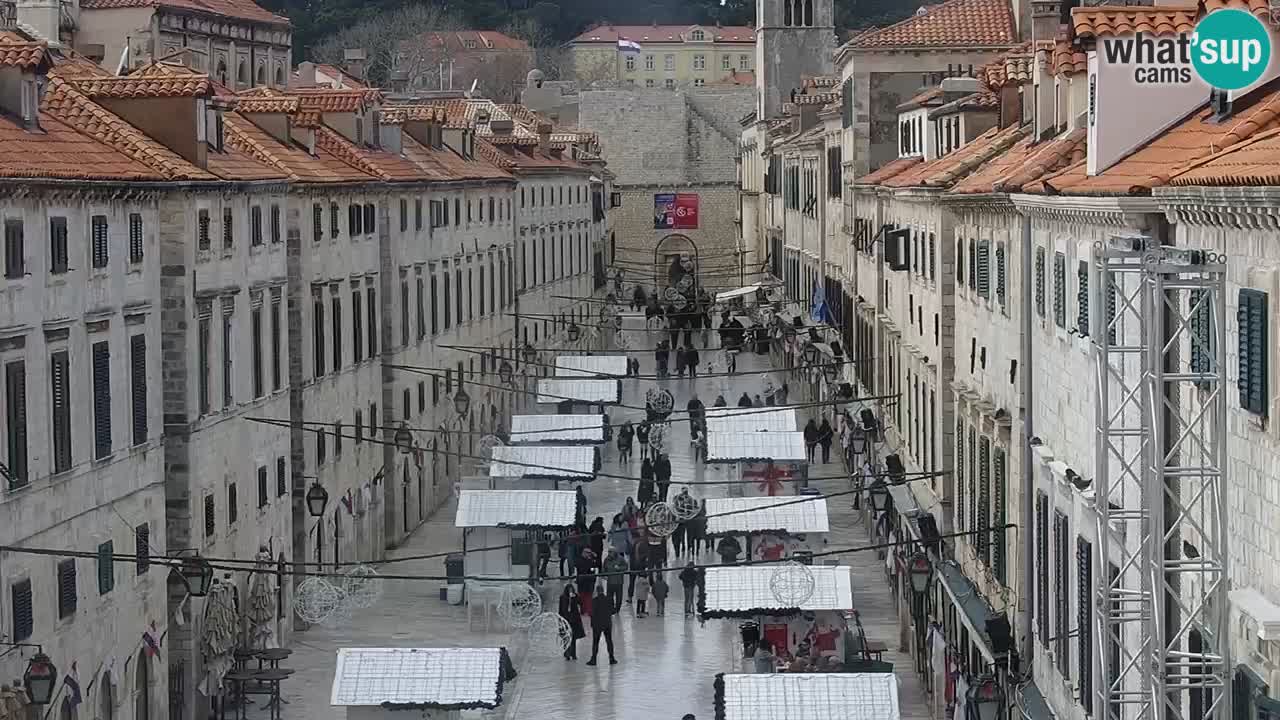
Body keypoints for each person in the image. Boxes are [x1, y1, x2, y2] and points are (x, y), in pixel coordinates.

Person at [587, 585, 617, 665]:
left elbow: (591, 613)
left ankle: (594, 659)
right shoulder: (609, 599)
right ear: (603, 590)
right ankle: (611, 658)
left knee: (595, 642)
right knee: (609, 641)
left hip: (597, 624)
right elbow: (613, 611)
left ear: (597, 591)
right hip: (607, 623)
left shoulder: (594, 601)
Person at [558, 584, 586, 660]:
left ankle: (573, 654)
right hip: (566, 620)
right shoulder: (562, 597)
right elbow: (561, 609)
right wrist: (560, 620)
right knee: (566, 638)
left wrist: (575, 597)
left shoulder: (575, 597)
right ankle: (567, 653)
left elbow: (580, 603)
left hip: (573, 621)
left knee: (573, 638)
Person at [603, 550, 629, 614]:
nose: (609, 553)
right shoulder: (606, 559)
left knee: (619, 597)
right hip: (610, 581)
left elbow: (626, 567)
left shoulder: (620, 559)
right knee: (609, 597)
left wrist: (619, 568)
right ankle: (611, 609)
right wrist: (604, 575)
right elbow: (604, 568)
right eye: (609, 552)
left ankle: (617, 609)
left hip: (619, 582)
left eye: (610, 552)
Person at [576, 549, 596, 615]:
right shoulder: (579, 560)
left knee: (589, 596)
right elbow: (581, 569)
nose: (589, 554)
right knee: (582, 597)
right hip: (582, 581)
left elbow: (593, 569)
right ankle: (583, 610)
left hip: (589, 581)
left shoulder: (591, 560)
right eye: (588, 553)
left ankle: (589, 610)